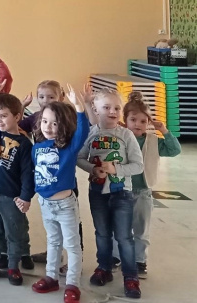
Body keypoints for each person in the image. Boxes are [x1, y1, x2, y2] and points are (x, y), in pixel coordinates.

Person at [77, 89, 143, 299]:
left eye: (116, 108)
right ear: (95, 110)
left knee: (124, 237)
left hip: (122, 193)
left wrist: (117, 170)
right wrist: (92, 169)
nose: (113, 111)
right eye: (107, 107)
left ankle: (130, 276)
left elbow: (138, 165)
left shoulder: (126, 135)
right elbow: (79, 157)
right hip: (97, 192)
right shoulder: (91, 133)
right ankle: (104, 268)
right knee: (102, 233)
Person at [29, 86, 89, 303]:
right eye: (45, 121)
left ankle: (72, 283)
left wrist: (80, 107)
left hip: (65, 204)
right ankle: (51, 277)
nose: (49, 127)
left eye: (55, 123)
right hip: (45, 204)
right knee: (53, 242)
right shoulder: (37, 148)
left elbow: (83, 131)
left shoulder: (69, 148)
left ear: (64, 126)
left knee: (72, 246)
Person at [117, 92, 181, 278]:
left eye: (143, 121)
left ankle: (139, 260)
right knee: (119, 228)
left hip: (143, 192)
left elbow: (174, 150)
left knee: (141, 229)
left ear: (148, 123)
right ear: (125, 120)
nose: (137, 124)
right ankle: (116, 257)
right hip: (121, 190)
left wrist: (164, 130)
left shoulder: (153, 141)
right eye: (133, 119)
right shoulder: (121, 137)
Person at [0, 79, 34, 286]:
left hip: (11, 198)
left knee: (14, 232)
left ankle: (13, 266)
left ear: (17, 117)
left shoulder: (24, 144)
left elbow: (29, 174)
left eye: (4, 116)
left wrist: (26, 197)